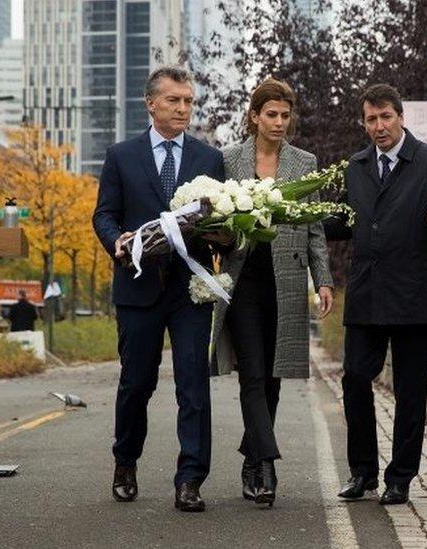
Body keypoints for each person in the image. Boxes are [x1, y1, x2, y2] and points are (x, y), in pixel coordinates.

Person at [92, 66, 225, 513]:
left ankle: (190, 479)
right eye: (174, 101)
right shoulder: (121, 156)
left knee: (193, 387)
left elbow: (219, 221)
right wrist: (117, 240)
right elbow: (105, 214)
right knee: (136, 384)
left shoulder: (210, 160)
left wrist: (226, 235)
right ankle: (125, 460)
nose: (183, 108)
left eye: (188, 101)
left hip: (190, 289)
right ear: (151, 103)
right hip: (137, 288)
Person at [325, 83, 427, 505]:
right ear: (364, 123)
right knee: (353, 379)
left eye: (386, 117)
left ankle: (400, 477)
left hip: (413, 297)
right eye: (371, 119)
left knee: (410, 390)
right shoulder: (356, 165)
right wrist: (301, 220)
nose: (379, 126)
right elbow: (344, 219)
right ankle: (362, 472)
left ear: (400, 117)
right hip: (367, 294)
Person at [210, 78, 334, 508]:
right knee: (253, 374)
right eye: (272, 115)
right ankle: (265, 464)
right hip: (244, 282)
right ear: (254, 116)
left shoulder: (305, 162)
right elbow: (213, 220)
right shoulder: (228, 159)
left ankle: (251, 455)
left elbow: (315, 227)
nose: (280, 123)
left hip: (286, 281)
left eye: (285, 115)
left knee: (274, 376)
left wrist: (324, 280)